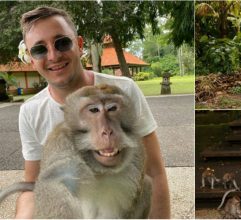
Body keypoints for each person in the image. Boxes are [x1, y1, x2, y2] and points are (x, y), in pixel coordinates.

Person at [16, 6, 170, 218]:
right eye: (40, 49)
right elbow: (32, 186)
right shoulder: (31, 112)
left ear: (79, 45)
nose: (53, 55)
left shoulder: (124, 90)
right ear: (31, 58)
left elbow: (154, 172)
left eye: (62, 43)